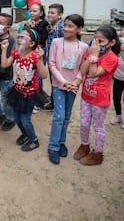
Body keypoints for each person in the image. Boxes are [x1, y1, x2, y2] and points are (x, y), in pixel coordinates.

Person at [73, 26, 120, 166]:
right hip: (86, 96)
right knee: (83, 123)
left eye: (101, 41)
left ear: (112, 43)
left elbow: (93, 73)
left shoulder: (112, 59)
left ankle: (98, 153)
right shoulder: (93, 52)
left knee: (98, 127)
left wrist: (93, 56)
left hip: (100, 99)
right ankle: (84, 145)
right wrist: (92, 55)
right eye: (95, 40)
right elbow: (83, 70)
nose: (96, 44)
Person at [47, 14, 88, 164]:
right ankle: (53, 146)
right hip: (59, 85)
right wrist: (63, 81)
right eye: (65, 25)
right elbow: (51, 64)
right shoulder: (57, 42)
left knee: (67, 115)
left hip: (73, 87)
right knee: (59, 115)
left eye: (70, 26)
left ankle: (61, 141)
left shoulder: (84, 47)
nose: (65, 28)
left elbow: (83, 67)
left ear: (79, 29)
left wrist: (76, 82)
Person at [1, 28, 48, 152]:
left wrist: (40, 60)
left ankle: (34, 140)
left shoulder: (34, 57)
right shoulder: (16, 53)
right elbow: (5, 64)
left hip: (30, 94)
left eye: (23, 37)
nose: (19, 39)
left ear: (32, 43)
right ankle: (25, 134)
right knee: (17, 118)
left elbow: (44, 75)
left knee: (25, 120)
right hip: (17, 91)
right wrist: (4, 49)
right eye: (19, 37)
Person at [24, 3, 49, 114]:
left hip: (39, 52)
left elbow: (43, 37)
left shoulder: (44, 24)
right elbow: (24, 36)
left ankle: (38, 103)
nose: (32, 13)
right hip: (29, 51)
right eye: (31, 11)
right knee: (29, 75)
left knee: (37, 77)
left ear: (41, 13)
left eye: (34, 11)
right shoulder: (28, 22)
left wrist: (33, 28)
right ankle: (31, 99)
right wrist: (27, 27)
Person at [43, 3, 65, 111]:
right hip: (51, 59)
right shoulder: (51, 26)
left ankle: (58, 104)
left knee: (58, 82)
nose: (49, 15)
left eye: (53, 13)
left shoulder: (61, 28)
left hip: (59, 60)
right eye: (49, 12)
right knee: (53, 81)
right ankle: (54, 102)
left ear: (60, 15)